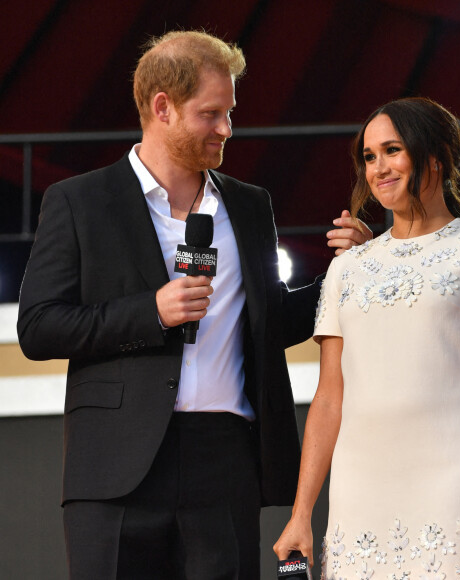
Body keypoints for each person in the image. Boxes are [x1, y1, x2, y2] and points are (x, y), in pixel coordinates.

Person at [17, 30, 371, 580]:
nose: (226, 129)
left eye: (230, 113)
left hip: (224, 460)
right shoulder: (79, 201)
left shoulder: (250, 206)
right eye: (211, 114)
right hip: (114, 469)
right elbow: (39, 328)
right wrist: (152, 311)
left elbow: (270, 321)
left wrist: (349, 273)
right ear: (163, 107)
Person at [274, 97, 460, 579]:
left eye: (392, 150)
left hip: (458, 486)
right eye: (369, 157)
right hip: (360, 496)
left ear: (435, 156)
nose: (378, 168)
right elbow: (329, 399)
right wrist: (300, 513)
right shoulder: (347, 269)